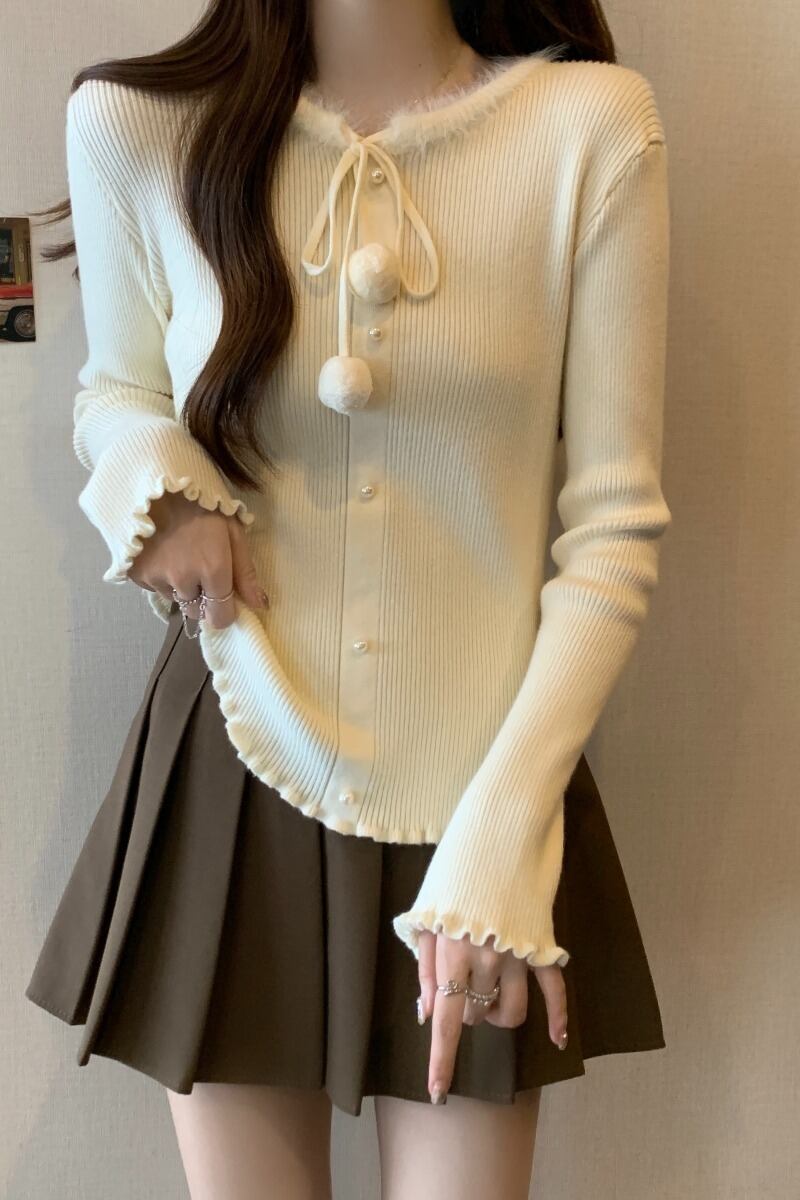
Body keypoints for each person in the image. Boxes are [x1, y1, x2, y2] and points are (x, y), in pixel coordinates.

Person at [26, 1, 672, 1195]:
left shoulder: (587, 127)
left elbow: (613, 528)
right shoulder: (137, 124)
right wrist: (155, 489)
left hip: (485, 786)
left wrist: (499, 845)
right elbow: (115, 389)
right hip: (239, 755)